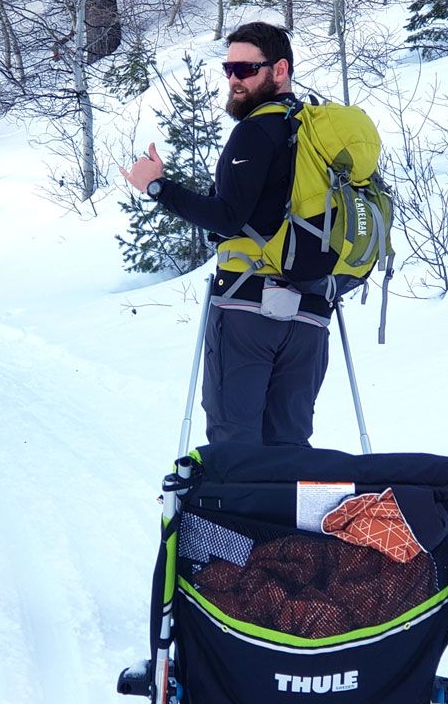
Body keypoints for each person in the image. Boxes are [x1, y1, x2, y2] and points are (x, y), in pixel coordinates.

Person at [120, 22, 330, 447]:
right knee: (290, 443)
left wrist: (157, 187)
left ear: (280, 69)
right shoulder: (317, 132)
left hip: (247, 305)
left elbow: (228, 218)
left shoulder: (255, 130)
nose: (234, 79)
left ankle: (235, 496)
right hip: (311, 312)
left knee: (234, 443)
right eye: (228, 68)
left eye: (246, 69)